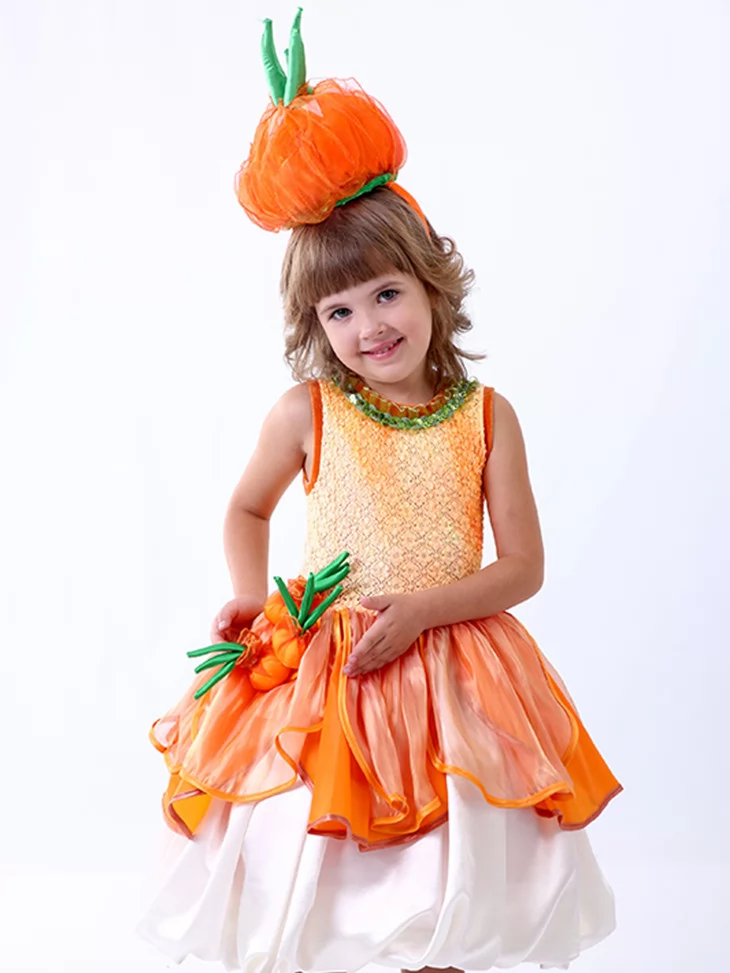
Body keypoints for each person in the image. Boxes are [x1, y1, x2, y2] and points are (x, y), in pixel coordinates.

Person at [137, 10, 621, 972]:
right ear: (316, 324)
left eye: (388, 293)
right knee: (321, 864)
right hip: (333, 673)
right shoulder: (306, 413)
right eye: (340, 310)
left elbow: (523, 566)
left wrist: (428, 611)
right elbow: (246, 508)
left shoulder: (487, 417)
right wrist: (249, 591)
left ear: (432, 280)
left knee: (452, 862)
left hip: (455, 670)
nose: (370, 327)